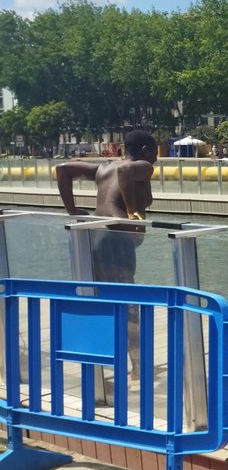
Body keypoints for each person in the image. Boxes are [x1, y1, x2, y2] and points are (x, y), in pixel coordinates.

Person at [56, 130, 158, 375]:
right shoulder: (141, 166)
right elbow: (126, 172)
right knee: (128, 304)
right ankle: (138, 369)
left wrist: (72, 210)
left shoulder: (103, 168)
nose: (155, 159)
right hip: (116, 240)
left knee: (103, 301)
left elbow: (62, 169)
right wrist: (133, 212)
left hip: (95, 239)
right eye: (155, 153)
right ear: (145, 151)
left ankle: (101, 368)